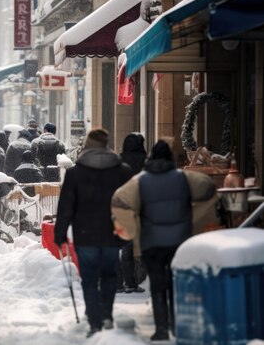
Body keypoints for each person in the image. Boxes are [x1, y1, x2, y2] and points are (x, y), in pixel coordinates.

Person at [111, 140, 218, 341]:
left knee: (158, 284)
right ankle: (176, 324)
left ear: (150, 157)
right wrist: (195, 217)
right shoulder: (184, 178)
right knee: (175, 283)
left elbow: (119, 200)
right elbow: (208, 188)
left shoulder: (139, 181)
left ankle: (161, 328)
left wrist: (132, 229)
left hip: (152, 242)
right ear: (169, 157)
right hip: (179, 242)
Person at [54, 129, 133, 337]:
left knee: (89, 278)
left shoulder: (74, 173)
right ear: (107, 145)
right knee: (109, 274)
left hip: (84, 233)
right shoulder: (122, 171)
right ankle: (106, 314)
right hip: (112, 233)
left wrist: (60, 234)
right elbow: (130, 203)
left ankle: (95, 322)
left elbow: (66, 208)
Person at [117, 133, 148, 294]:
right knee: (131, 246)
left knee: (118, 244)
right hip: (140, 205)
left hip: (121, 205)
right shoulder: (145, 161)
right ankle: (131, 281)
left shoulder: (119, 161)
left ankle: (118, 283)